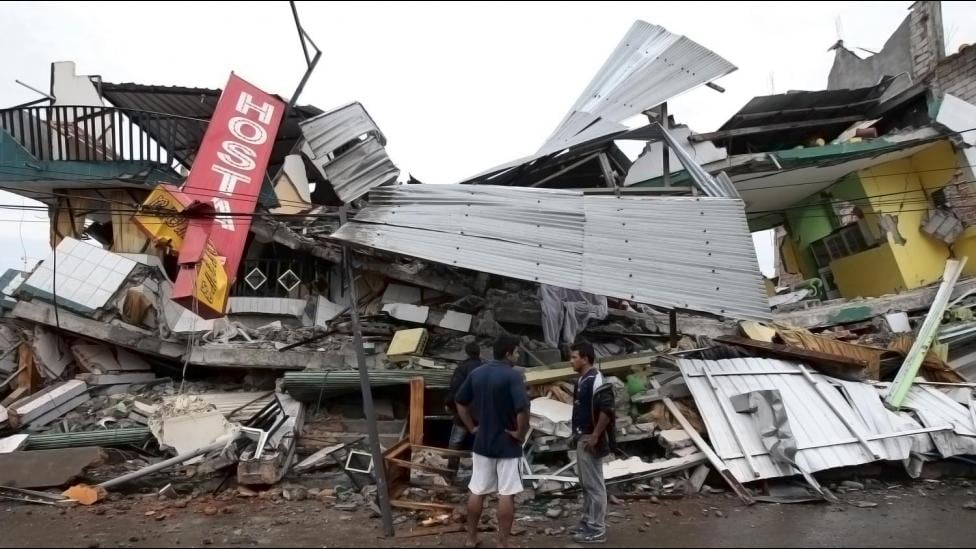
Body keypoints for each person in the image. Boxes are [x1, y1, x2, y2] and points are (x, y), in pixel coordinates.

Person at [455, 335, 530, 549]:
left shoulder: (477, 373)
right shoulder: (513, 376)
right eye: (516, 352)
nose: (517, 356)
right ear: (508, 353)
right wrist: (520, 433)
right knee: (506, 493)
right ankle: (502, 543)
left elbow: (460, 402)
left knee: (477, 489)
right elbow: (522, 410)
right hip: (507, 443)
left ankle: (471, 538)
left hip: (482, 442)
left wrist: (471, 427)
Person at [569, 342, 615, 544]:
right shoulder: (582, 380)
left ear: (585, 358)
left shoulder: (596, 379)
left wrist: (596, 435)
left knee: (594, 484)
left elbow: (607, 409)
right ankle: (588, 521)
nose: (571, 361)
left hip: (590, 438)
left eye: (574, 357)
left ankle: (597, 528)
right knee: (586, 483)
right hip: (582, 437)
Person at [446, 342, 483, 476]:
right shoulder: (485, 368)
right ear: (479, 353)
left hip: (463, 412)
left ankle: (451, 471)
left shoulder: (461, 369)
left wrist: (449, 404)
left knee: (456, 441)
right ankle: (481, 474)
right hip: (481, 413)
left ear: (466, 353)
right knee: (482, 443)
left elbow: (454, 389)